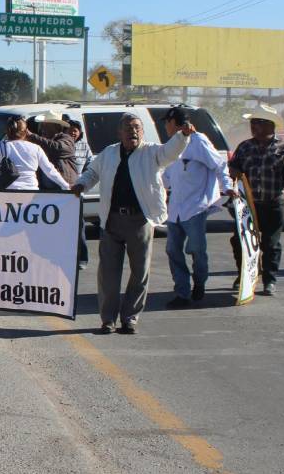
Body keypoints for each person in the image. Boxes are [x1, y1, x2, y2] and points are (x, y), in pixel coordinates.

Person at [71, 113, 194, 334]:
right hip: (111, 220)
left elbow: (171, 152)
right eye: (128, 128)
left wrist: (182, 136)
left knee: (140, 272)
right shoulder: (108, 153)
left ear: (142, 131)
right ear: (119, 132)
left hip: (140, 220)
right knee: (108, 274)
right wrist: (80, 185)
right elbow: (91, 173)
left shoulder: (152, 152)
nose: (133, 131)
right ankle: (108, 320)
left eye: (137, 127)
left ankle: (129, 318)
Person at [160, 107, 234, 308]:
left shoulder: (198, 141)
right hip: (175, 209)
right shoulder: (172, 145)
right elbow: (167, 175)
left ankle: (200, 282)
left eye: (166, 122)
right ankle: (182, 293)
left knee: (196, 250)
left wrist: (227, 187)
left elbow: (219, 165)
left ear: (174, 122)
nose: (165, 126)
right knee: (172, 250)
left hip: (195, 207)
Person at [229, 108, 284, 296]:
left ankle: (269, 280)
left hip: (273, 204)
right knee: (240, 241)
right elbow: (233, 167)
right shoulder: (245, 147)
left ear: (270, 125)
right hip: (249, 205)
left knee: (271, 244)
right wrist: (233, 171)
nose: (253, 127)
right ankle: (244, 275)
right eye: (252, 123)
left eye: (257, 123)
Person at [0, 116, 71, 191]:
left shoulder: (0, 147)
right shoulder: (36, 148)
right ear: (26, 131)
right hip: (31, 193)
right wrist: (66, 186)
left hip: (8, 193)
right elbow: (50, 170)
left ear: (7, 131)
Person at [26, 110, 78, 188]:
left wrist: (32, 136)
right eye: (42, 125)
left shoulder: (67, 139)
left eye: (46, 125)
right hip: (46, 188)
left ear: (56, 127)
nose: (42, 128)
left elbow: (57, 148)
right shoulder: (43, 141)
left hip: (63, 187)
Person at [66, 117, 91, 268]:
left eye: (75, 130)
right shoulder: (61, 143)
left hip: (77, 193)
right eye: (70, 130)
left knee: (79, 226)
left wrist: (82, 180)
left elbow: (90, 165)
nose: (73, 133)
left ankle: (82, 258)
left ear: (80, 132)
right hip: (63, 192)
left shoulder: (84, 146)